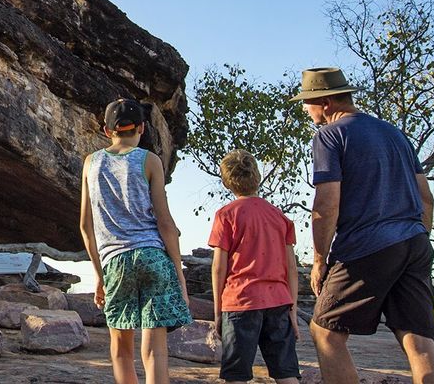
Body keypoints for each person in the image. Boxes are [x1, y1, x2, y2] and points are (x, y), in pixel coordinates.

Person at [289, 67, 434, 384]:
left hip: (368, 245)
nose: (306, 110)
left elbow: (326, 204)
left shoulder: (330, 135)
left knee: (325, 332)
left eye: (307, 102)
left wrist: (320, 259)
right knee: (417, 339)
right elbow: (425, 198)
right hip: (415, 242)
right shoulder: (394, 134)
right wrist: (416, 239)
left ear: (326, 101)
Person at [79, 98, 192, 384]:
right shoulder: (150, 160)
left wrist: (99, 274)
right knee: (155, 351)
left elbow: (85, 226)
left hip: (114, 262)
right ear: (141, 128)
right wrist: (178, 272)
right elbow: (165, 223)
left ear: (107, 131)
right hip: (153, 256)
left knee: (121, 350)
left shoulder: (91, 163)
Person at [207, 149, 301, 384]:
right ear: (257, 177)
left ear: (227, 183)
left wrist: (218, 312)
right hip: (278, 301)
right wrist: (294, 310)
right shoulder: (280, 217)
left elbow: (219, 267)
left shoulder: (225, 215)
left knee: (236, 376)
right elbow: (291, 268)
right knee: (286, 374)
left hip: (240, 302)